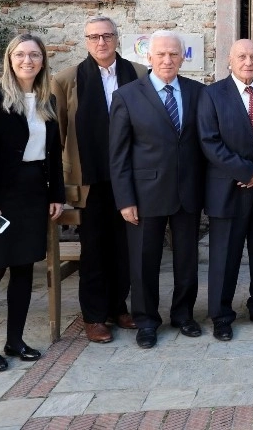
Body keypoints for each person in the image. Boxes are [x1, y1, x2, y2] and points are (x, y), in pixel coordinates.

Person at [0, 34, 65, 372]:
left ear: (43, 61)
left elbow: (53, 156)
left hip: (33, 196)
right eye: (21, 54)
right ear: (10, 59)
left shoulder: (46, 100)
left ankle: (15, 340)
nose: (28, 61)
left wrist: (57, 196)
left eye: (35, 55)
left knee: (24, 270)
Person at [109, 31, 206, 349]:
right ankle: (147, 320)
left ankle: (183, 315)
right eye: (161, 54)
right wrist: (124, 199)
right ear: (148, 57)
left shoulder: (197, 92)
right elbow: (119, 153)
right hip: (144, 194)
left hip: (187, 192)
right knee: (143, 262)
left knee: (187, 260)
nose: (167, 60)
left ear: (182, 57)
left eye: (174, 54)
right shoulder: (127, 95)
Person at [54, 16, 146, 344]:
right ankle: (94, 315)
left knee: (125, 247)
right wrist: (58, 183)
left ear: (117, 38)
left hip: (130, 177)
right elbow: (58, 135)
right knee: (93, 248)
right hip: (89, 179)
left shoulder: (137, 75)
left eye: (107, 35)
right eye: (94, 37)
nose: (101, 42)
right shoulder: (66, 80)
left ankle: (119, 307)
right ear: (86, 41)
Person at [198, 39, 253, 341]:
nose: (248, 62)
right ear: (229, 60)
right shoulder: (211, 95)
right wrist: (247, 171)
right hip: (227, 190)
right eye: (242, 56)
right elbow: (209, 142)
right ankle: (221, 316)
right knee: (224, 256)